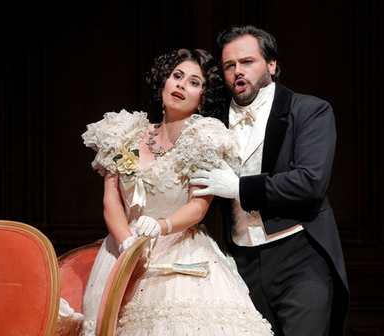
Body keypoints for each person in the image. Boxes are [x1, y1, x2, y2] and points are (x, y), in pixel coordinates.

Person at [56, 48, 273, 336]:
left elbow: (198, 206)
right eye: (177, 76)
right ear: (164, 83)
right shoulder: (125, 133)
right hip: (122, 249)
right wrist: (126, 244)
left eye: (194, 82)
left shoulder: (203, 139)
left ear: (202, 99)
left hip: (177, 248)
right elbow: (111, 200)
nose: (182, 85)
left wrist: (160, 226)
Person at [191, 25, 350, 335]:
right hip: (241, 261)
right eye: (229, 65)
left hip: (299, 257)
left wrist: (239, 188)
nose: (238, 71)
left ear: (272, 65)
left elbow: (310, 181)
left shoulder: (308, 110)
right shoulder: (211, 121)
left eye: (247, 62)